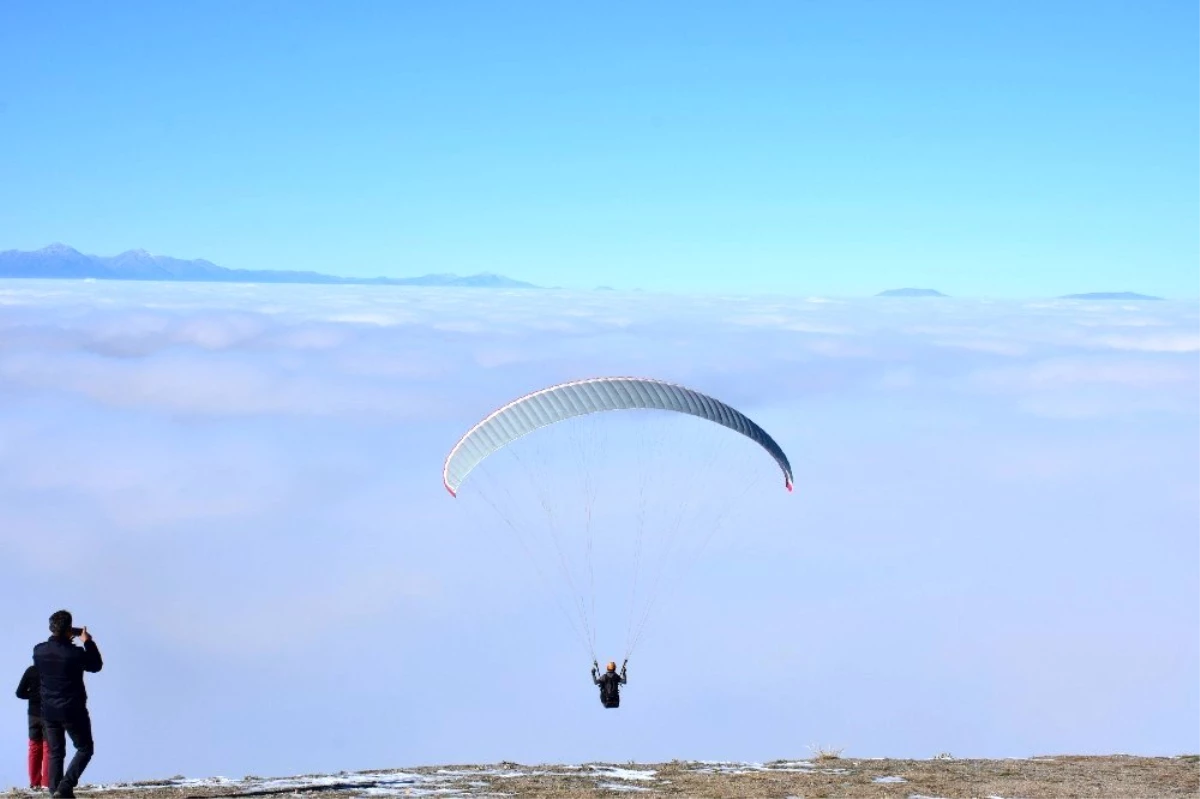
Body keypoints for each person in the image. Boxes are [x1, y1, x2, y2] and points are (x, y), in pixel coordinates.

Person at [33, 610, 102, 799]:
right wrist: (87, 641)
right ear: (69, 629)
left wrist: (67, 639)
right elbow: (96, 665)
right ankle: (65, 787)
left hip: (49, 710)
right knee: (85, 748)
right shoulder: (75, 653)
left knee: (56, 752)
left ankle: (55, 791)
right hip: (73, 709)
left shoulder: (38, 650)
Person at [16, 664, 50, 789]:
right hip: (49, 714)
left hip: (33, 714)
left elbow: (19, 693)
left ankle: (35, 783)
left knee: (34, 747)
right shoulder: (54, 670)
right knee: (48, 747)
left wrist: (33, 695)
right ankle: (46, 783)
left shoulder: (31, 670)